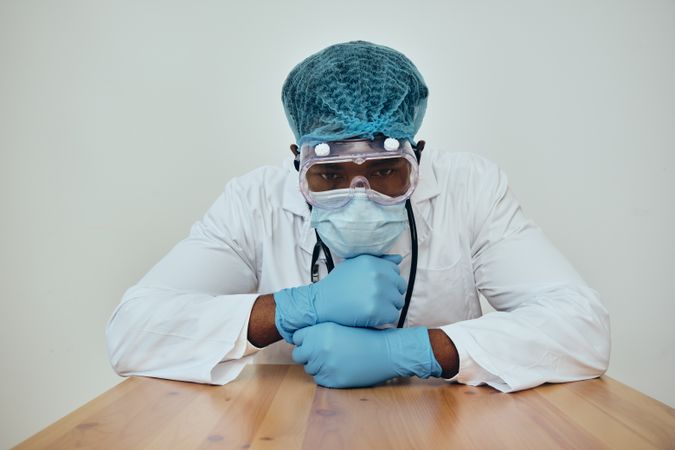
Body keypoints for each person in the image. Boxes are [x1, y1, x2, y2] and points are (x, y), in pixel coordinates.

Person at [106, 40, 610, 392]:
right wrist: (294, 307)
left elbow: (583, 330)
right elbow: (132, 333)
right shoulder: (253, 200)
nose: (359, 195)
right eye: (329, 175)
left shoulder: (471, 190)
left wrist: (419, 351)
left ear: (420, 155)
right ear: (297, 160)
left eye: (388, 170)